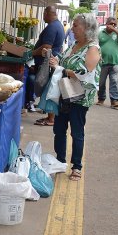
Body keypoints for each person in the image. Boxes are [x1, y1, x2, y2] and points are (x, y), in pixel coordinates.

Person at [48, 13, 101, 181]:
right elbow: (63, 63)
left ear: (87, 29)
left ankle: (76, 167)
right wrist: (55, 60)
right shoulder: (74, 45)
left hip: (79, 97)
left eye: (76, 25)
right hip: (64, 94)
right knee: (59, 130)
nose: (72, 28)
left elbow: (85, 74)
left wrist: (61, 69)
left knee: (77, 132)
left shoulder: (93, 48)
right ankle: (60, 161)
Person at [27, 6, 65, 125]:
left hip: (48, 63)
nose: (43, 17)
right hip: (51, 62)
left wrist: (32, 53)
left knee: (50, 90)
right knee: (49, 90)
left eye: (44, 14)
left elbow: (46, 48)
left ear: (48, 13)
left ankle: (51, 118)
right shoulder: (57, 25)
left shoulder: (52, 27)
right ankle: (50, 116)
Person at [97, 17, 118, 109]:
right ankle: (101, 98)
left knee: (114, 81)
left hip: (114, 62)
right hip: (103, 62)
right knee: (101, 82)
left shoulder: (116, 34)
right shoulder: (100, 33)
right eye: (111, 24)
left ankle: (114, 101)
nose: (113, 25)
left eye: (115, 24)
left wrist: (115, 30)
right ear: (107, 24)